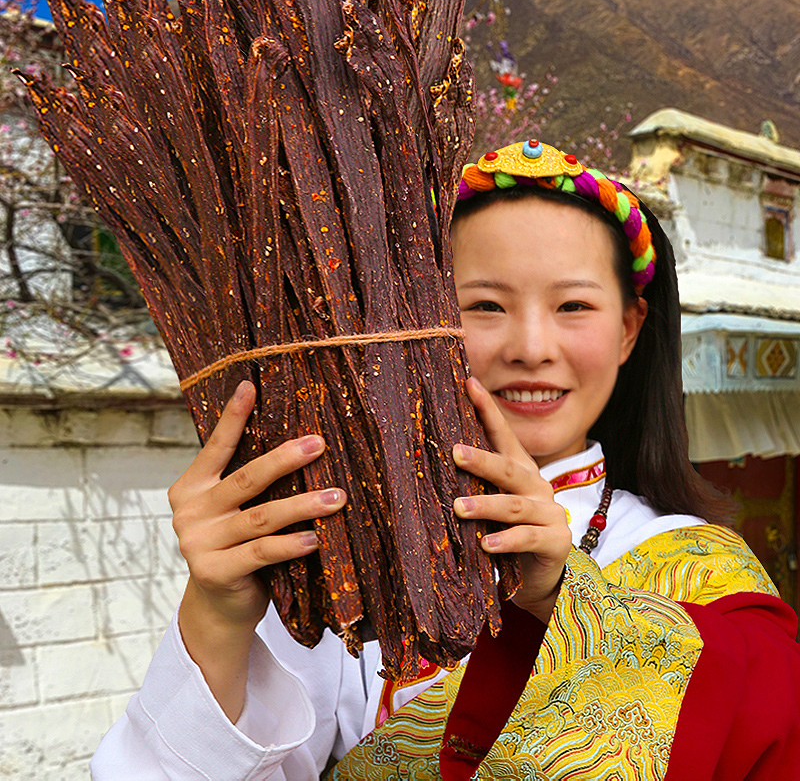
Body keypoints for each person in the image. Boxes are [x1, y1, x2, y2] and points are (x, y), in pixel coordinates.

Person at [90, 141, 800, 780]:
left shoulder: (697, 568)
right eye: (484, 305)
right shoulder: (340, 552)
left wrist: (562, 599)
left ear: (629, 329)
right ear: (416, 324)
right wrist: (216, 617)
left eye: (574, 306)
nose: (529, 346)